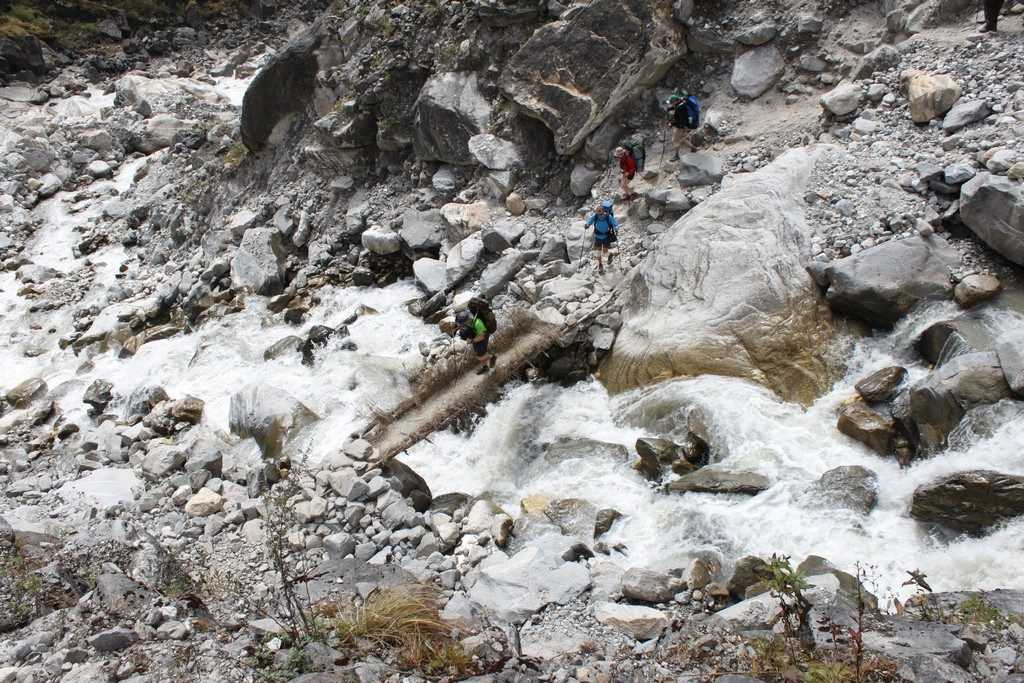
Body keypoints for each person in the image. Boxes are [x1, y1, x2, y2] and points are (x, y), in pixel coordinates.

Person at [456, 309, 495, 375]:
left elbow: (482, 336)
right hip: (475, 333)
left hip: (483, 335)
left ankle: (492, 357)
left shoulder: (477, 323)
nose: (461, 325)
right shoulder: (469, 321)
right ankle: (485, 367)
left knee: (480, 355)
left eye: (462, 323)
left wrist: (472, 340)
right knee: (478, 353)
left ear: (466, 321)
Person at [584, 201, 619, 274]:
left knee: (605, 251)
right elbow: (590, 220)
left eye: (600, 212)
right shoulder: (595, 216)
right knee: (598, 252)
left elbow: (615, 223)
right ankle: (600, 265)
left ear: (603, 211)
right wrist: (587, 225)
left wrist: (616, 229)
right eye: (597, 212)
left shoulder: (608, 217)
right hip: (597, 237)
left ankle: (610, 255)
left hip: (606, 237)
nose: (598, 213)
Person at [665, 93, 701, 160]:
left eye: (671, 103)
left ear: (675, 101)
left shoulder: (680, 108)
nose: (671, 104)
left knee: (675, 140)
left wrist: (671, 124)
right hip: (685, 126)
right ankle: (694, 149)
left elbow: (681, 121)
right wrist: (670, 108)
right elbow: (677, 107)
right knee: (683, 139)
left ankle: (677, 156)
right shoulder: (682, 103)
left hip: (680, 127)